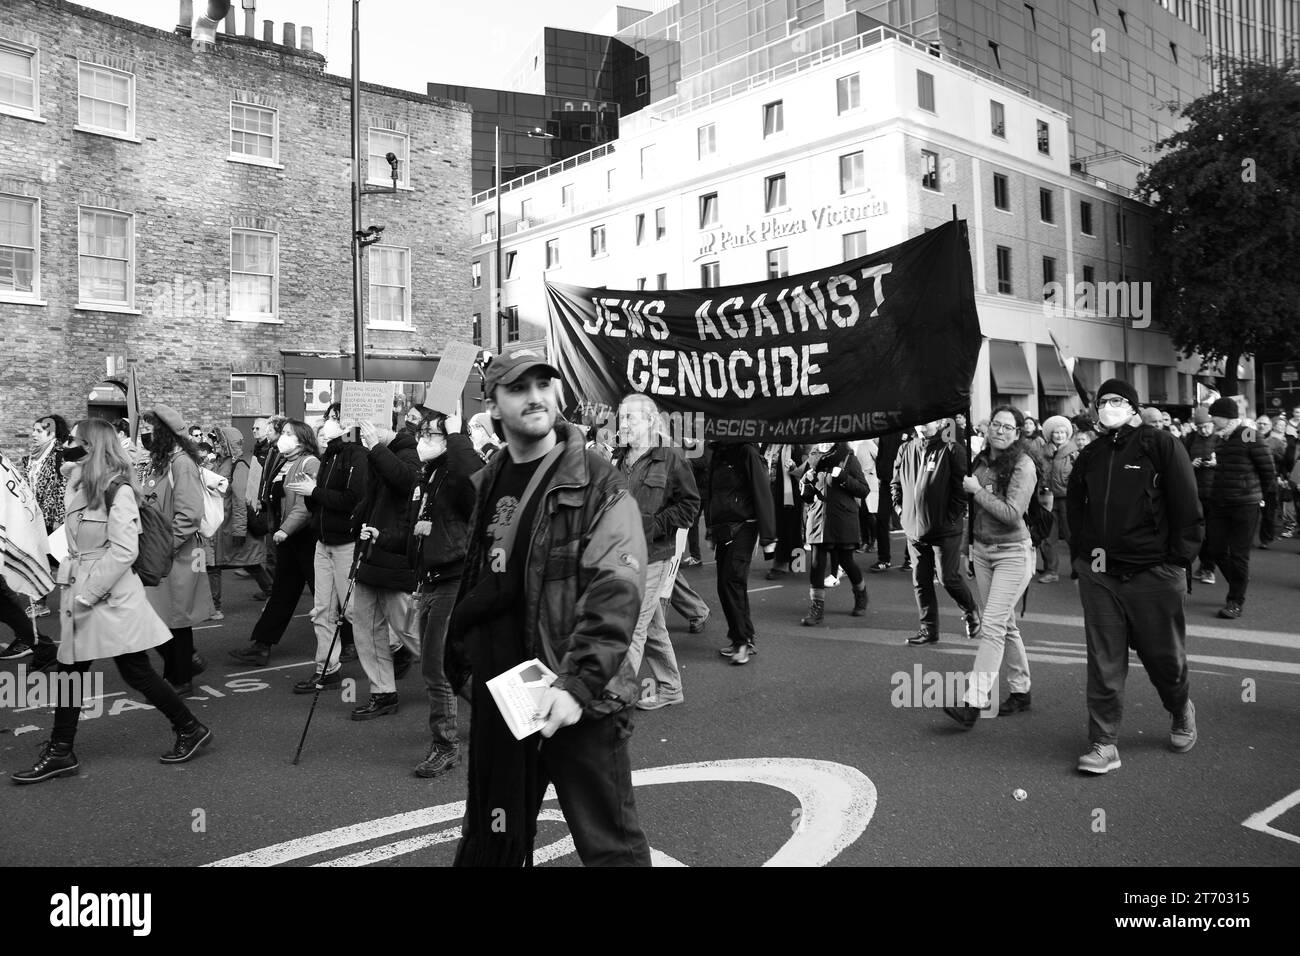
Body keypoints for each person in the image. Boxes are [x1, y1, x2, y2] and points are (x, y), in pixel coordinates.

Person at [443, 354, 650, 866]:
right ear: (492, 405)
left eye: (543, 383)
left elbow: (616, 589)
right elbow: (484, 575)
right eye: (518, 389)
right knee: (494, 839)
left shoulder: (599, 482)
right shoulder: (490, 478)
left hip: (574, 690)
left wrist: (579, 683)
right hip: (506, 694)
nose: (535, 396)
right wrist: (461, 652)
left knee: (610, 848)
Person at [11, 419, 212, 785]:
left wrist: (89, 593)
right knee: (72, 670)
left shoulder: (117, 490)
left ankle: (189, 727)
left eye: (73, 440)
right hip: (83, 592)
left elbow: (123, 551)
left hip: (109, 597)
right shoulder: (80, 483)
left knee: (134, 672)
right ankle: (62, 750)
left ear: (91, 446)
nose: (66, 444)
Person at [1066, 379, 1202, 774]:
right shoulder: (1090, 453)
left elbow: (1186, 503)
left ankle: (1179, 709)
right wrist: (1080, 555)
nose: (1108, 406)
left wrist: (1178, 560)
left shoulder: (1159, 444)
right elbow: (1076, 506)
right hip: (1100, 574)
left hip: (1153, 572)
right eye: (1102, 400)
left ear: (1133, 406)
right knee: (1104, 661)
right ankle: (1104, 743)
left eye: (1116, 400)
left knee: (1165, 659)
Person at [943, 405, 1037, 729]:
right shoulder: (981, 460)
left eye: (1007, 427)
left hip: (1013, 553)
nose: (999, 430)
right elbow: (975, 511)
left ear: (1018, 434)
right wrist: (970, 549)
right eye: (995, 424)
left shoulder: (1024, 465)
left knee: (992, 628)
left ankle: (974, 700)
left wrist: (978, 490)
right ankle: (1021, 689)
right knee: (1005, 625)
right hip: (983, 552)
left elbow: (1012, 513)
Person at [407, 411, 481, 777]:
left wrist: (455, 436)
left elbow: (474, 476)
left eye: (433, 434)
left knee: (436, 668)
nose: (425, 439)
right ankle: (503, 714)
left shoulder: (456, 473)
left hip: (455, 578)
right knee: (451, 665)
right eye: (423, 432)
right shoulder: (431, 474)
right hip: (433, 578)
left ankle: (446, 745)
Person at [614, 393, 700, 710]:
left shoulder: (671, 458)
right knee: (651, 626)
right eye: (620, 417)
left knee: (634, 626)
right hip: (621, 557)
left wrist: (655, 524)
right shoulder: (617, 458)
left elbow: (690, 505)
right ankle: (670, 688)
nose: (623, 423)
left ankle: (613, 699)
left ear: (650, 420)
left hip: (653, 556)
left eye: (630, 417)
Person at [278, 416, 369, 692]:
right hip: (323, 542)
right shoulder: (327, 457)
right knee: (322, 611)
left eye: (331, 421)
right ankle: (326, 668)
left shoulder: (357, 456)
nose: (321, 428)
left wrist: (314, 490)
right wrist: (311, 492)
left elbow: (352, 500)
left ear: (345, 428)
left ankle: (394, 647)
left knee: (354, 610)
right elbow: (317, 502)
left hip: (344, 543)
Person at [346, 411, 424, 719]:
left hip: (394, 555)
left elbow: (406, 481)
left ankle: (458, 678)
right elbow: (371, 499)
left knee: (410, 631)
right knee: (366, 628)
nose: (365, 434)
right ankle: (382, 692)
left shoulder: (409, 450)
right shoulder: (376, 453)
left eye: (370, 427)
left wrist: (377, 447)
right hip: (371, 552)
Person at [228, 420, 321, 666]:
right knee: (282, 593)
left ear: (303, 438)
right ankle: (261, 645)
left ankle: (350, 641)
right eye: (284, 433)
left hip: (304, 537)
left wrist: (285, 530)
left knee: (323, 594)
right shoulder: (282, 462)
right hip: (286, 537)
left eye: (289, 433)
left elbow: (305, 506)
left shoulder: (310, 463)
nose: (284, 437)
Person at [137, 406, 213, 694]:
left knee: (176, 619)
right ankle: (184, 665)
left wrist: (164, 548)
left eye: (150, 429)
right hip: (159, 553)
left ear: (166, 434)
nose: (145, 434)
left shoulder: (181, 464)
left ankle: (181, 677)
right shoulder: (161, 462)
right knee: (160, 616)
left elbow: (190, 514)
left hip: (174, 554)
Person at [891, 419, 980, 645]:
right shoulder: (905, 448)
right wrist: (901, 511)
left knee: (947, 578)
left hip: (945, 529)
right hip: (913, 529)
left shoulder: (951, 449)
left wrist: (950, 515)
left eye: (928, 418)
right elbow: (895, 484)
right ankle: (928, 629)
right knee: (921, 580)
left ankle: (970, 609)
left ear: (940, 422)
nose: (921, 423)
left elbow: (962, 488)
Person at [1204, 396, 1275, 619]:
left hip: (1245, 504)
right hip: (1220, 503)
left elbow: (1268, 470)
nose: (1211, 420)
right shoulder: (1221, 438)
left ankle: (1235, 601)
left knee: (1239, 554)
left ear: (1225, 416)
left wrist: (1258, 496)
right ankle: (1239, 579)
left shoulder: (1247, 434)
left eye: (1214, 416)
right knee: (1215, 549)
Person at [708, 441, 777, 664]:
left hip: (744, 525)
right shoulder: (718, 450)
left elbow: (762, 491)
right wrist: (711, 528)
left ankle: (741, 642)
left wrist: (768, 537)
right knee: (728, 584)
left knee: (731, 582)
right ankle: (744, 637)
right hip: (724, 527)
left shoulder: (747, 451)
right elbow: (712, 492)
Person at [797, 441, 869, 625]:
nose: (825, 441)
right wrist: (805, 486)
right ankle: (816, 608)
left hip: (843, 519)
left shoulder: (848, 458)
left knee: (846, 561)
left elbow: (863, 490)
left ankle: (861, 595)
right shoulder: (812, 460)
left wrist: (844, 477)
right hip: (818, 520)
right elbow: (807, 495)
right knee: (816, 564)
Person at [204, 427, 263, 622]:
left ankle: (215, 607)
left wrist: (239, 529)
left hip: (229, 524)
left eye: (220, 442)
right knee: (222, 564)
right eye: (215, 442)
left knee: (244, 562)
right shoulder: (222, 462)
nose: (216, 445)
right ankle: (214, 606)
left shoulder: (238, 465)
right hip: (220, 522)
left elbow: (240, 498)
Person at [1036, 415, 1079, 584]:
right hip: (1046, 495)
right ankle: (1051, 570)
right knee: (1048, 535)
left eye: (1062, 432)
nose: (1059, 435)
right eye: (1056, 432)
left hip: (1067, 498)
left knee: (1071, 535)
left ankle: (1078, 569)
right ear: (1050, 434)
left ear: (1067, 434)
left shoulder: (1075, 453)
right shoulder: (1042, 452)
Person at [1184, 407, 1221, 584]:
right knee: (1198, 533)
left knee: (1214, 534)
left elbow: (1234, 463)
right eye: (1199, 428)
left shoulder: (1221, 438)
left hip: (1216, 494)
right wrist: (1191, 464)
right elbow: (1181, 463)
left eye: (1206, 426)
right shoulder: (1190, 439)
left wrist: (1217, 463)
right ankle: (1203, 566)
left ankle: (1209, 568)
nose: (1203, 431)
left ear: (1212, 424)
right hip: (1196, 493)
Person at [763, 443, 805, 579]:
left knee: (792, 529)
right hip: (771, 493)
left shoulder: (793, 446)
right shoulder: (766, 446)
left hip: (790, 494)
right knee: (778, 529)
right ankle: (794, 563)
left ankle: (785, 564)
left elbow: (803, 469)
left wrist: (793, 466)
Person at [870, 429, 905, 571]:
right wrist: (880, 471)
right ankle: (883, 559)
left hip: (904, 483)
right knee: (882, 519)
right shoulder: (886, 430)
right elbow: (881, 453)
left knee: (909, 521)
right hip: (886, 482)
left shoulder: (909, 430)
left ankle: (910, 559)